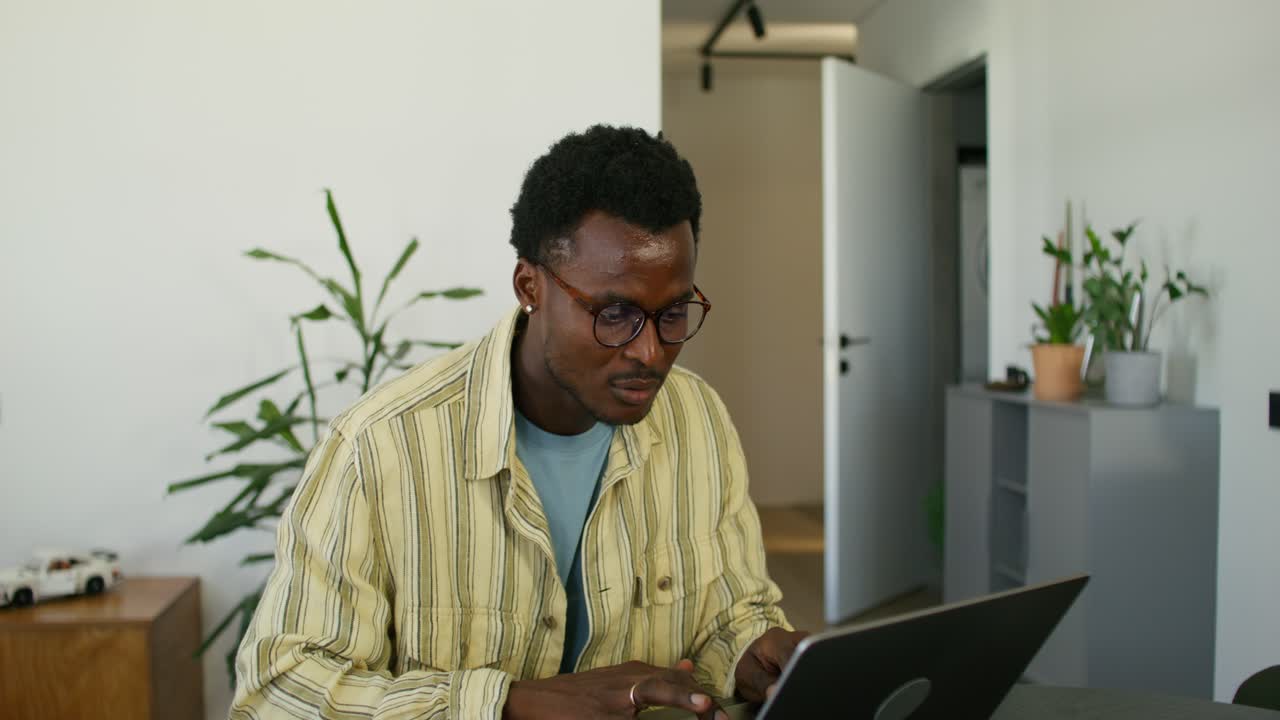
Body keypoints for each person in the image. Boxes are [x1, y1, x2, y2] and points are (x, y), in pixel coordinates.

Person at [230, 125, 806, 720]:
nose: (650, 352)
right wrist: (510, 704)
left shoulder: (699, 421)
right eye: (615, 314)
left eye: (674, 314)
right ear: (529, 286)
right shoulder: (379, 448)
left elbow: (731, 613)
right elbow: (279, 693)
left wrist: (749, 651)